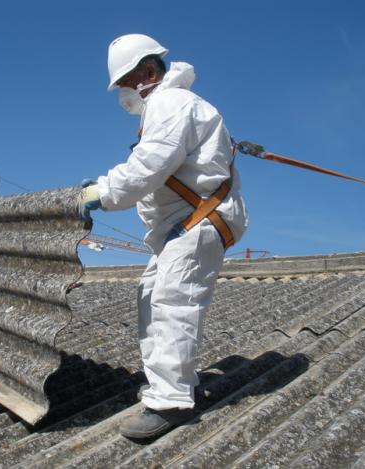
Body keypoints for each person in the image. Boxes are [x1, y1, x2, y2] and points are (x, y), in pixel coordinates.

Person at [78, 34, 248, 439]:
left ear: (149, 73)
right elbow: (153, 169)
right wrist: (107, 186)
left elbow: (147, 168)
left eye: (124, 83)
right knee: (152, 299)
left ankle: (171, 402)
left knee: (172, 304)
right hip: (182, 226)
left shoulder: (171, 103)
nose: (122, 93)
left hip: (198, 221)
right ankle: (167, 386)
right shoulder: (169, 107)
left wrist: (102, 192)